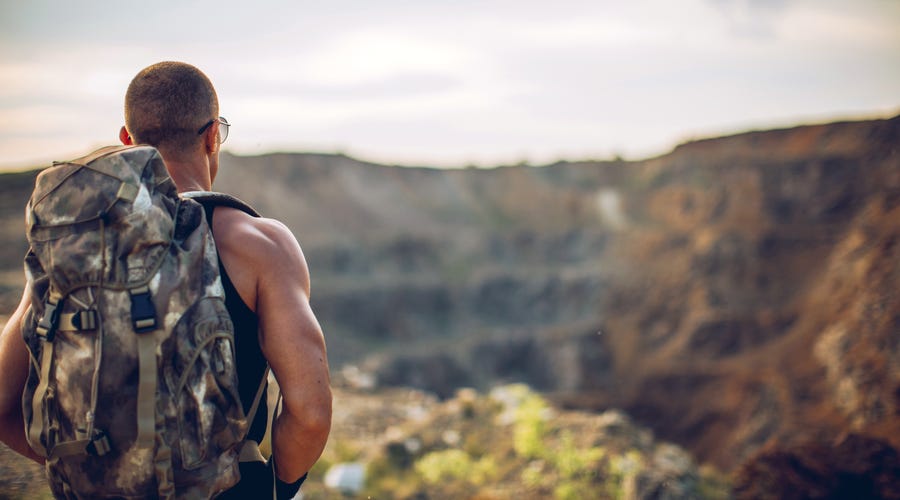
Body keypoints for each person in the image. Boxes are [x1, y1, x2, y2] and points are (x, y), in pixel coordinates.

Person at [0, 61, 332, 498]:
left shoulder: (71, 246)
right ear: (212, 136)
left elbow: (2, 402)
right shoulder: (260, 244)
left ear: (127, 141)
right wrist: (276, 488)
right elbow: (310, 413)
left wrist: (104, 474)